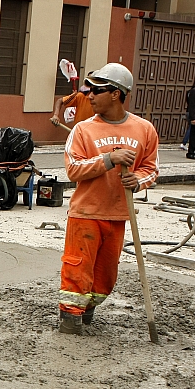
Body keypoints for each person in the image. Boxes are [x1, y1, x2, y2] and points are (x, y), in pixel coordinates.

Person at [58, 62, 159, 335]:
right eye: (89, 90)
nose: (89, 96)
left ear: (116, 93)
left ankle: (87, 311)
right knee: (77, 271)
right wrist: (108, 160)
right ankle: (70, 321)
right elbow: (73, 170)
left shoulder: (144, 130)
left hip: (117, 214)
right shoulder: (83, 131)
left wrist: (138, 180)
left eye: (97, 91)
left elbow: (151, 168)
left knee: (105, 277)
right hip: (86, 213)